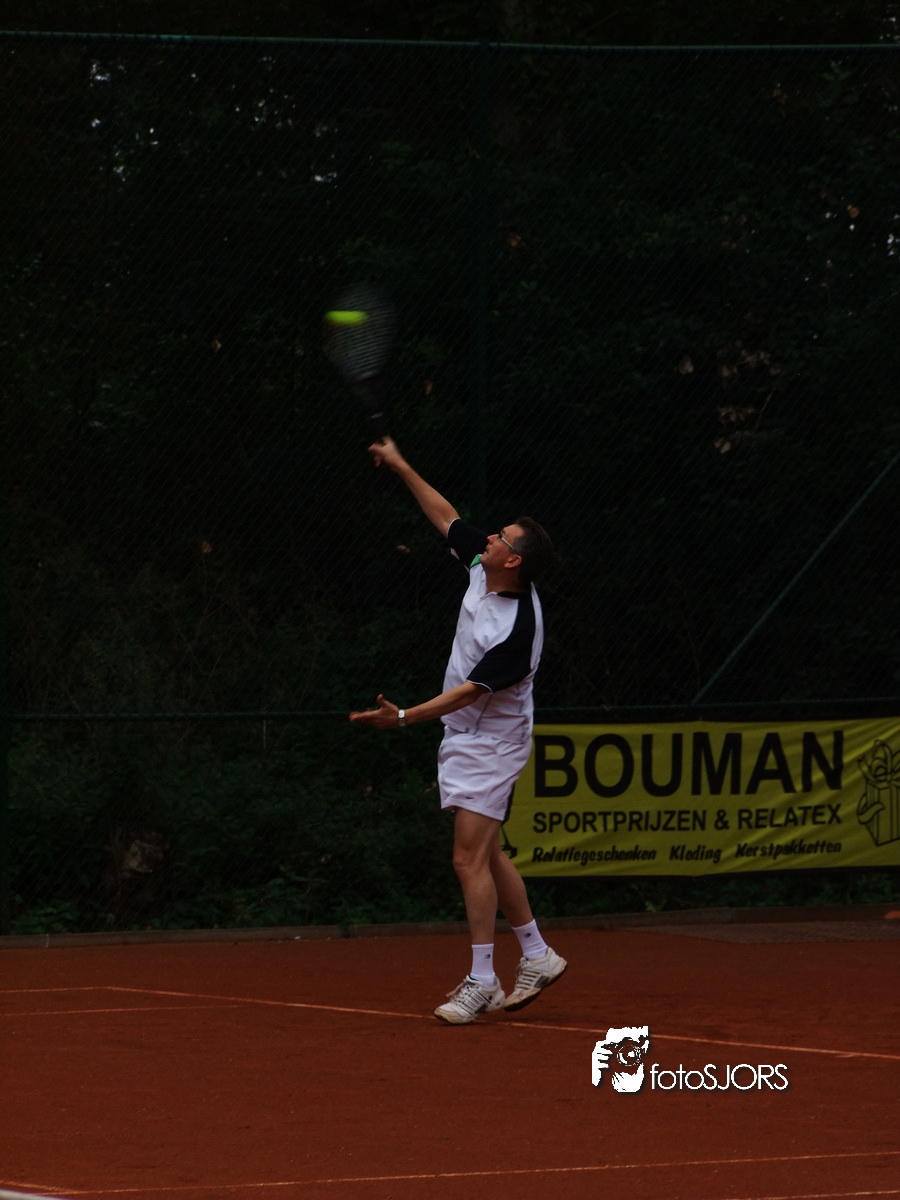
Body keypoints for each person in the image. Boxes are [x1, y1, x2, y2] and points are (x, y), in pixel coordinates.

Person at [349, 436, 567, 1025]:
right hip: (468, 736)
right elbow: (445, 516)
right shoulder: (483, 566)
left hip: (494, 743)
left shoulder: (517, 631)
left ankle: (482, 981)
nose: (489, 537)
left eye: (502, 538)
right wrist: (400, 465)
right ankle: (538, 954)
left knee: (467, 860)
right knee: (486, 852)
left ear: (513, 561)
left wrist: (402, 717)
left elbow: (470, 691)